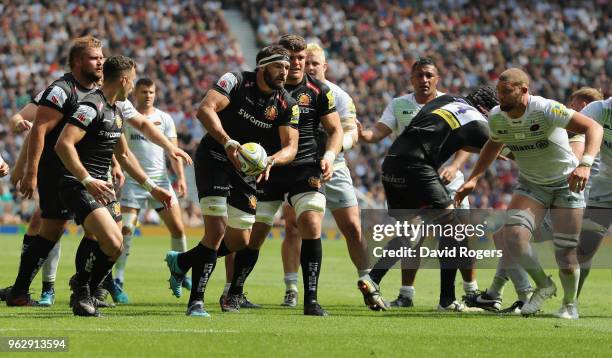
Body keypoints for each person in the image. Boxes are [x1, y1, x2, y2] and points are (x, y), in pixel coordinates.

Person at [2, 35, 192, 307]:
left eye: (102, 57)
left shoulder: (108, 95)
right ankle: (46, 289)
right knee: (50, 227)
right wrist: (28, 170)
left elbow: (123, 135)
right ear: (78, 61)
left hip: (90, 174)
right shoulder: (61, 90)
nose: (101, 61)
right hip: (60, 172)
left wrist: (167, 148)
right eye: (95, 57)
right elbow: (38, 129)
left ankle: (83, 288)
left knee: (89, 233)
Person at [163, 45, 300, 317]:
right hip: (215, 157)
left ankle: (183, 261)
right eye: (278, 66)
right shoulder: (235, 81)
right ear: (262, 66)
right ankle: (197, 301)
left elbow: (291, 146)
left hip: (247, 170)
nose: (284, 72)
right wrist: (227, 142)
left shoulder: (287, 103)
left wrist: (271, 160)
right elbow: (205, 109)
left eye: (286, 67)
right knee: (216, 230)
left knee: (240, 239)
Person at [455, 68, 603, 317]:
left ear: (524, 90)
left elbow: (593, 127)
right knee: (511, 236)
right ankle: (544, 285)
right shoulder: (497, 117)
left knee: (566, 254)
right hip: (531, 185)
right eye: (499, 91)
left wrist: (585, 163)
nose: (500, 96)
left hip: (565, 184)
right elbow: (493, 143)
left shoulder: (546, 109)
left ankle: (569, 306)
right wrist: (473, 178)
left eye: (506, 91)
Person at [221, 35, 343, 316]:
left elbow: (336, 130)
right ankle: (235, 291)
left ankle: (310, 300)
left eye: (302, 58)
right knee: (255, 235)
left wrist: (329, 156)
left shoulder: (319, 90)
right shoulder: (262, 88)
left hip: (305, 167)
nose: (297, 64)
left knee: (311, 224)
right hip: (267, 171)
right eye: (292, 58)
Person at [55, 55, 173, 316]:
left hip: (103, 187)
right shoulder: (91, 106)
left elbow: (125, 156)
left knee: (116, 246)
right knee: (110, 240)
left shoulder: (117, 110)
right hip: (78, 184)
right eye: (132, 80)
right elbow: (63, 144)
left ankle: (86, 288)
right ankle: (83, 291)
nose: (131, 86)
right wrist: (86, 179)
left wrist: (152, 187)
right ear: (123, 79)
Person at [367, 85, 499, 311]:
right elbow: (505, 147)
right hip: (418, 168)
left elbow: (443, 134)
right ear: (486, 108)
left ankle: (372, 279)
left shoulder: (445, 100)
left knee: (411, 232)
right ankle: (447, 300)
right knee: (454, 232)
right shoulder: (477, 120)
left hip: (391, 165)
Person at [358, 58, 477, 308]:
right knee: (414, 237)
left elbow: (467, 141)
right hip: (414, 179)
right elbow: (378, 132)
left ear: (437, 79)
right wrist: (363, 134)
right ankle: (408, 294)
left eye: (429, 75)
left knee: (459, 238)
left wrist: (454, 166)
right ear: (411, 80)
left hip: (449, 180)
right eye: (419, 76)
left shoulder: (452, 104)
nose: (424, 80)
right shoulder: (399, 104)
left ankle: (471, 292)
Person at [272, 42, 373, 308]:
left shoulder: (337, 95)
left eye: (315, 63)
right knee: (294, 227)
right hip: (299, 168)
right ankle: (292, 288)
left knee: (353, 226)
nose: (309, 67)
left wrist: (332, 152)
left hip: (334, 165)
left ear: (324, 66)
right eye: (307, 62)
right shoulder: (286, 91)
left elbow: (350, 131)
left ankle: (369, 283)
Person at [112, 78, 189, 304]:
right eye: (144, 91)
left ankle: (179, 272)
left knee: (178, 229)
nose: (148, 95)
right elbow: (117, 148)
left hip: (162, 182)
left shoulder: (164, 119)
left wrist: (181, 178)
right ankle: (119, 278)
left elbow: (173, 151)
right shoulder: (126, 116)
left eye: (152, 91)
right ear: (135, 93)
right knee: (126, 230)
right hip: (134, 182)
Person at [575, 95, 611, 301]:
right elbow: (572, 132)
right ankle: (571, 302)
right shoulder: (599, 110)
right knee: (586, 248)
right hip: (604, 188)